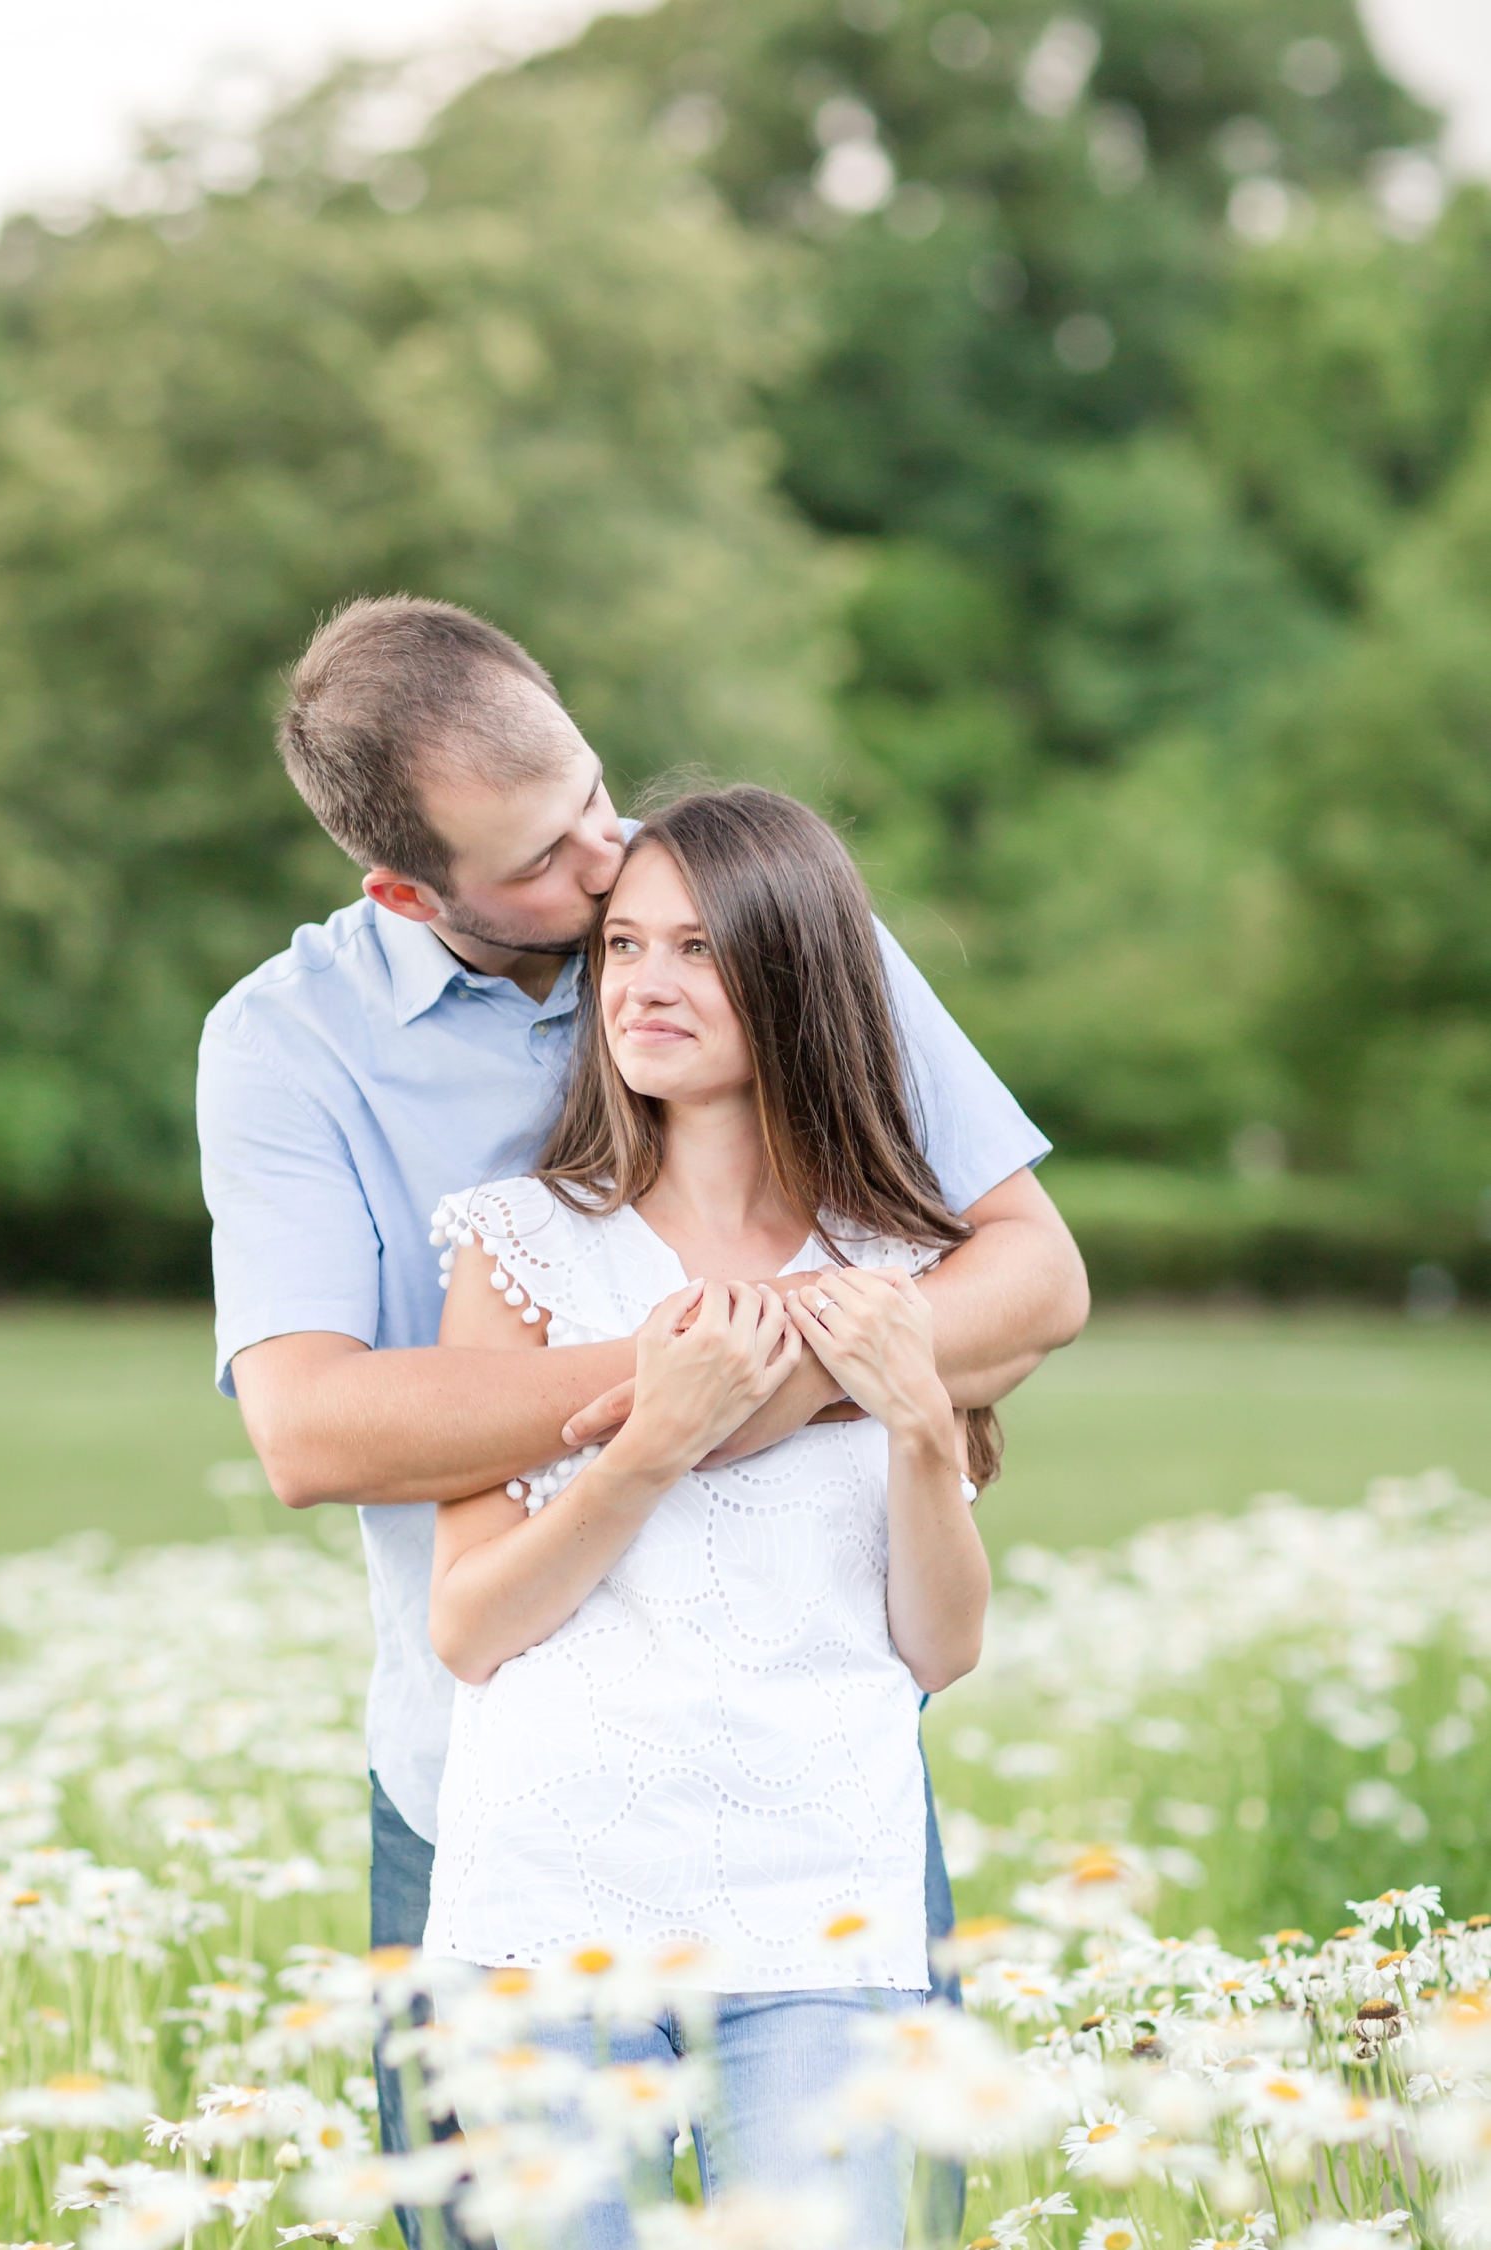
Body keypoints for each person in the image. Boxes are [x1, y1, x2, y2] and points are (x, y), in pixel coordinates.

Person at [196, 596, 1087, 2237]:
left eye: (598, 795)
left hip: (800, 1791)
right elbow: (310, 1432)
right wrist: (662, 1397)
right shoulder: (288, 1051)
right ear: (408, 889)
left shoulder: (756, 921)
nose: (612, 868)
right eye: (551, 865)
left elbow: (1029, 1276)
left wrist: (805, 1370)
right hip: (490, 1794)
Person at [422, 786, 997, 2245]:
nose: (646, 983)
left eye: (698, 947)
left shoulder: (899, 1269)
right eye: (625, 947)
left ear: (796, 973)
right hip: (548, 1910)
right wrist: (653, 1443)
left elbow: (937, 1648)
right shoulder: (521, 1246)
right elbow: (469, 1625)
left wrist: (921, 1420)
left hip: (822, 1909)